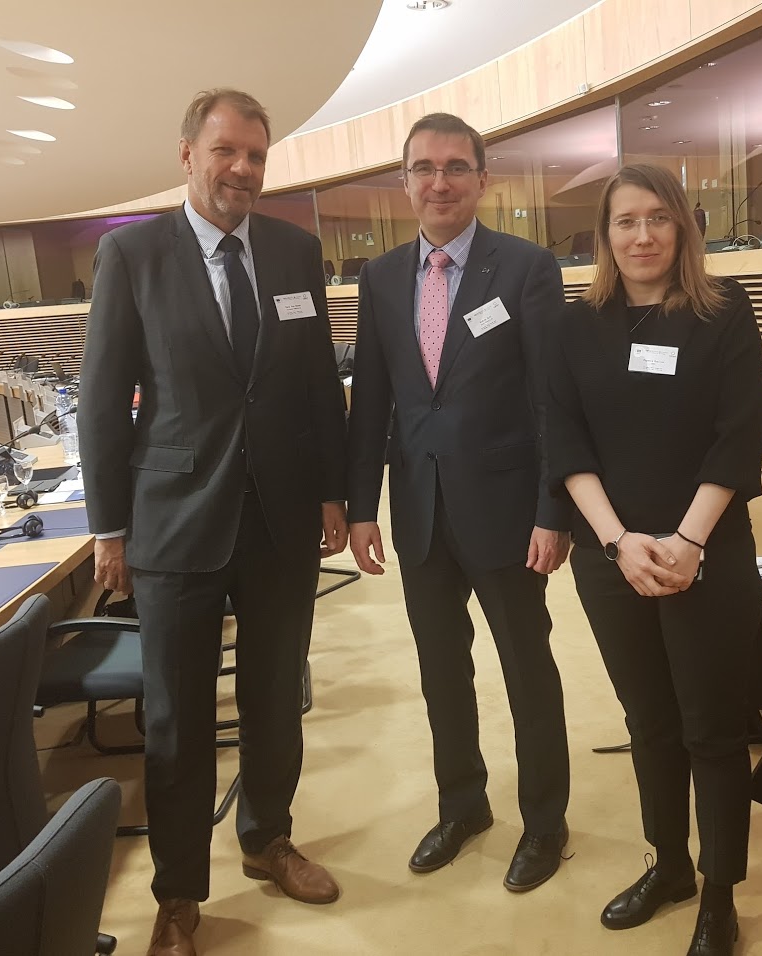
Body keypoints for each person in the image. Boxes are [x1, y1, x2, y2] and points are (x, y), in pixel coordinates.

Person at [78, 89, 349, 956]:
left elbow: (316, 384)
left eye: (256, 155)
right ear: (187, 154)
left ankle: (268, 838)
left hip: (280, 518)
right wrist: (109, 528)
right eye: (226, 150)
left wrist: (334, 492)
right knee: (178, 720)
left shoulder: (295, 251)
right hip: (173, 524)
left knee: (275, 697)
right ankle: (178, 895)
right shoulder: (132, 254)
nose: (242, 169)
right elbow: (101, 400)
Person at [346, 112, 573, 892]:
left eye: (454, 167)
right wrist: (362, 507)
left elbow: (550, 401)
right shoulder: (380, 278)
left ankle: (545, 821)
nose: (438, 182)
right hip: (420, 513)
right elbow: (372, 404)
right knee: (442, 673)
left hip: (509, 515)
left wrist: (553, 510)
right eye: (423, 168)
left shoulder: (526, 268)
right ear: (404, 181)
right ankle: (462, 805)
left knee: (527, 672)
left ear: (482, 178)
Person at [546, 163, 762, 956]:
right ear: (605, 235)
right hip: (611, 558)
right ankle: (670, 865)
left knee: (712, 730)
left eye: (658, 218)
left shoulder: (724, 310)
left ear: (683, 226)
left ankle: (720, 894)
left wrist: (686, 541)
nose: (642, 236)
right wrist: (616, 541)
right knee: (649, 723)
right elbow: (563, 439)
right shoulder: (577, 324)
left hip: (706, 552)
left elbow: (740, 434)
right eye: (625, 221)